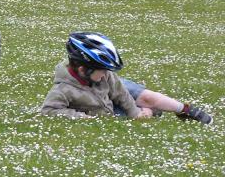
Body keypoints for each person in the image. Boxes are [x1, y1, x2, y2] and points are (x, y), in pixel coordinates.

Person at [41, 32, 213, 124]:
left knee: (146, 98)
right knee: (139, 114)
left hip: (114, 92)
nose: (105, 74)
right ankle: (154, 112)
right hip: (105, 110)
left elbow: (121, 94)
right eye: (102, 70)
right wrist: (80, 117)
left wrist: (135, 113)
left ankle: (184, 110)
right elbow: (49, 110)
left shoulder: (106, 76)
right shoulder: (63, 89)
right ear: (82, 69)